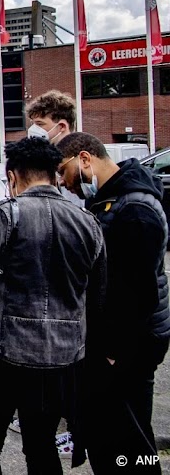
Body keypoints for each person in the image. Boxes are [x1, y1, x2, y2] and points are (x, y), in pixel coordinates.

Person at [0, 137, 106, 473]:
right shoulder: (89, 224)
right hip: (61, 358)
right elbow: (96, 297)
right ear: (53, 175)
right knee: (41, 444)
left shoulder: (1, 216)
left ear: (12, 175)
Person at [56, 133, 169, 473]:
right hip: (120, 342)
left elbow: (139, 291)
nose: (64, 182)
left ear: (85, 159)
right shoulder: (113, 200)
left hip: (130, 345)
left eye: (65, 171)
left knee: (131, 439)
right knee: (111, 434)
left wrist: (114, 349)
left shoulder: (134, 209)